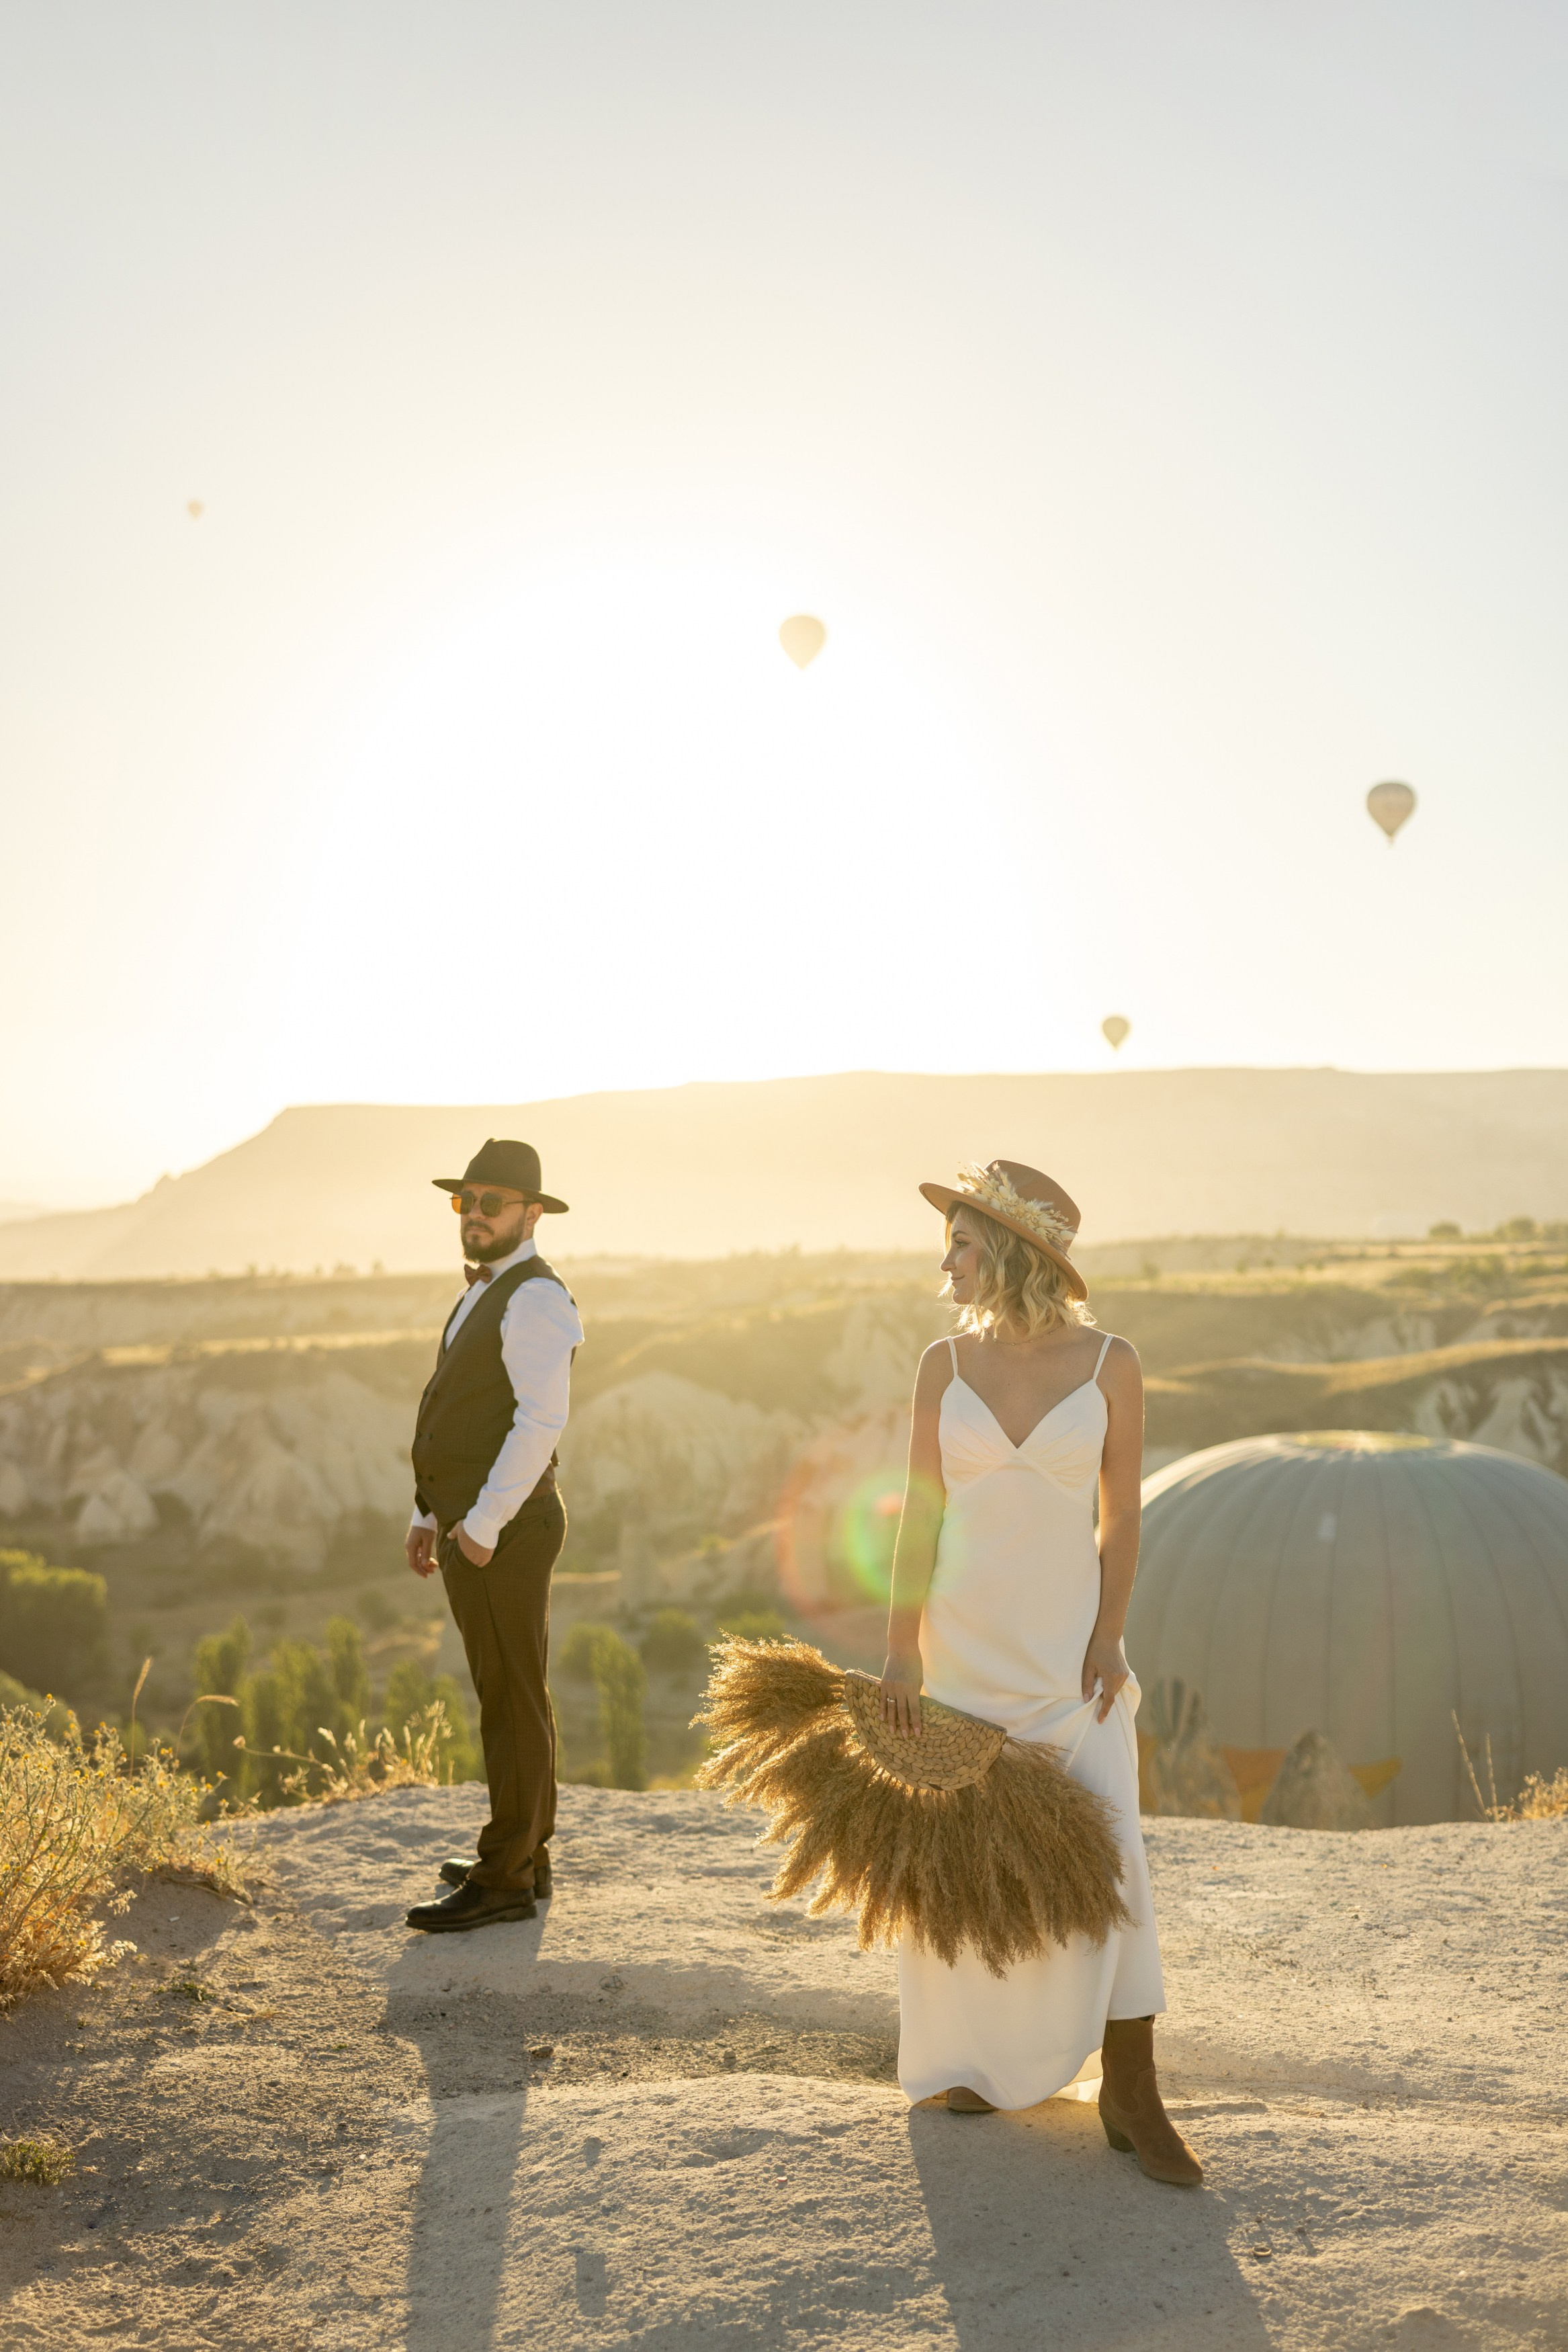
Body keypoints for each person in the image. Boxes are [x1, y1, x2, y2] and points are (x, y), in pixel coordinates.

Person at [879, 1159, 1201, 2186]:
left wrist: (1110, 1634)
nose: (947, 1260)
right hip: (964, 1648)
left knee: (1111, 1854)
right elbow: (919, 1516)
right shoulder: (941, 1363)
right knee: (968, 1862)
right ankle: (978, 2060)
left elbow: (1122, 1518)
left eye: (964, 1242)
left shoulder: (1111, 1361)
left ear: (1013, 1251)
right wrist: (898, 1648)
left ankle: (1131, 2085)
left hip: (1066, 1652)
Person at [402, 1138, 583, 1934]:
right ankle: (524, 1851)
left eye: (492, 1204)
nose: (474, 1216)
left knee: (511, 1701)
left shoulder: (536, 1297)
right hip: (471, 1524)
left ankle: (504, 1876)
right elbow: (459, 1407)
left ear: (531, 1214)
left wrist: (478, 1527)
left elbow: (539, 1422)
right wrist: (426, 1512)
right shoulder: (488, 1289)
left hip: (503, 1528)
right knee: (511, 1694)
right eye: (465, 1202)